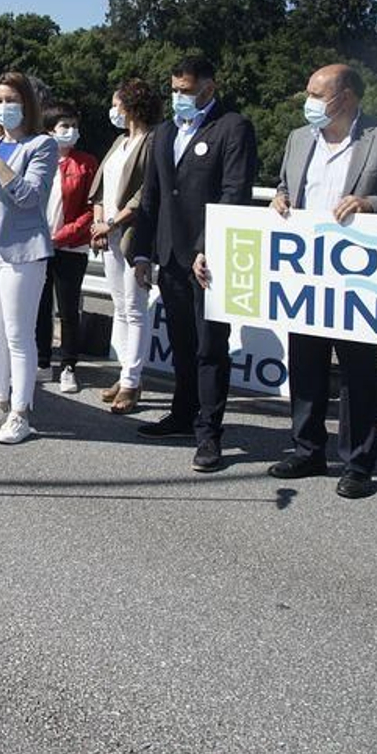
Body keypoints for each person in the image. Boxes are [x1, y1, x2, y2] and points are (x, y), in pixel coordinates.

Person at [267, 63, 377, 498]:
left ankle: (357, 463)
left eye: (319, 94)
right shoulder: (298, 139)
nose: (310, 102)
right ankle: (306, 448)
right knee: (305, 364)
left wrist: (373, 203)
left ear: (348, 97)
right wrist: (279, 200)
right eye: (309, 92)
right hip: (307, 272)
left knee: (358, 372)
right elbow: (285, 188)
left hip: (359, 278)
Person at [130, 56, 258, 473]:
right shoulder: (166, 132)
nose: (177, 97)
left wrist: (210, 246)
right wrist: (143, 252)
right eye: (174, 89)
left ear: (208, 87)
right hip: (168, 258)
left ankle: (209, 434)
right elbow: (151, 197)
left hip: (209, 261)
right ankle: (181, 415)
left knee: (209, 349)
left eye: (185, 90)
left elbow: (234, 193)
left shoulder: (232, 127)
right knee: (183, 346)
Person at [0, 72, 59, 445]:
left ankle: (21, 411)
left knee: (19, 334)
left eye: (12, 100)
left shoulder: (42, 146)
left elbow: (28, 196)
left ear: (28, 105)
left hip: (21, 252)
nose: (4, 107)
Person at [87, 80, 158, 413]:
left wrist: (112, 223)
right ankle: (126, 373)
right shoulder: (120, 141)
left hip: (133, 235)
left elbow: (145, 193)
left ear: (130, 106)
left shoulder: (153, 141)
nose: (113, 110)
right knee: (120, 306)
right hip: (110, 233)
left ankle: (132, 380)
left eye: (116, 104)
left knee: (134, 307)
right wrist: (99, 223)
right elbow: (100, 187)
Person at [36, 103, 98, 395]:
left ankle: (69, 365)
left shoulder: (86, 163)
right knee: (40, 305)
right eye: (64, 126)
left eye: (74, 126)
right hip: (38, 244)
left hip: (71, 247)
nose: (71, 132)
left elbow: (92, 208)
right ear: (50, 130)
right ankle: (42, 361)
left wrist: (64, 234)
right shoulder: (39, 159)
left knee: (68, 309)